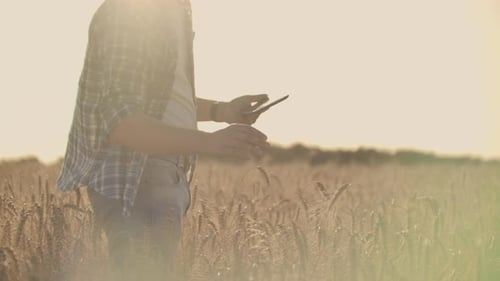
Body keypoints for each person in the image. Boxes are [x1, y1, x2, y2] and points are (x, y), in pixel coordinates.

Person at [56, 0, 269, 279]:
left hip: (163, 173)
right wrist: (209, 143)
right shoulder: (129, 13)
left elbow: (158, 100)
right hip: (136, 175)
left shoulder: (172, 12)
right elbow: (122, 123)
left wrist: (221, 110)